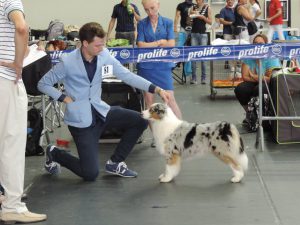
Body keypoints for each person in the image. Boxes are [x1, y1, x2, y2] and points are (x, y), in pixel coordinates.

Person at [38, 22, 170, 180]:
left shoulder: (104, 54)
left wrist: (156, 89)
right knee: (90, 174)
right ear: (85, 43)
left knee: (141, 120)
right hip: (81, 122)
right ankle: (54, 153)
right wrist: (63, 98)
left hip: (101, 112)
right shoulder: (68, 61)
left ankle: (115, 162)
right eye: (98, 45)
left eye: (103, 44)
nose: (102, 48)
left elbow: (127, 75)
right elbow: (43, 84)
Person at [0, 0, 47, 223]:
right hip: (6, 80)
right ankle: (13, 206)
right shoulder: (10, 1)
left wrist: (24, 50)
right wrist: (19, 63)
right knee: (12, 143)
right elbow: (21, 28)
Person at [136, 0, 182, 119]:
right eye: (146, 9)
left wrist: (150, 44)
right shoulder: (141, 23)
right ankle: (156, 137)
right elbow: (140, 44)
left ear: (158, 5)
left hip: (163, 66)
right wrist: (160, 42)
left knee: (170, 100)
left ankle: (183, 133)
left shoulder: (168, 22)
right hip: (146, 67)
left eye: (152, 8)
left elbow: (171, 43)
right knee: (149, 104)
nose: (150, 12)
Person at [234, 34, 281, 125]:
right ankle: (250, 113)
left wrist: (254, 76)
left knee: (259, 89)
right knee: (240, 89)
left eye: (261, 43)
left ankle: (262, 117)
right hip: (257, 81)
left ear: (266, 45)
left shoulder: (272, 57)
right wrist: (259, 77)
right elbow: (245, 76)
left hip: (269, 83)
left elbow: (271, 78)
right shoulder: (249, 56)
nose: (258, 45)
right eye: (255, 43)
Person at [190, 0, 212, 85]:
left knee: (203, 57)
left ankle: (203, 78)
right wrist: (190, 16)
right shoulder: (193, 7)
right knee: (193, 57)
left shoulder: (207, 7)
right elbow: (189, 21)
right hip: (194, 34)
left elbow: (210, 22)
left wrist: (203, 18)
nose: (197, 1)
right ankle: (194, 78)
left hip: (203, 34)